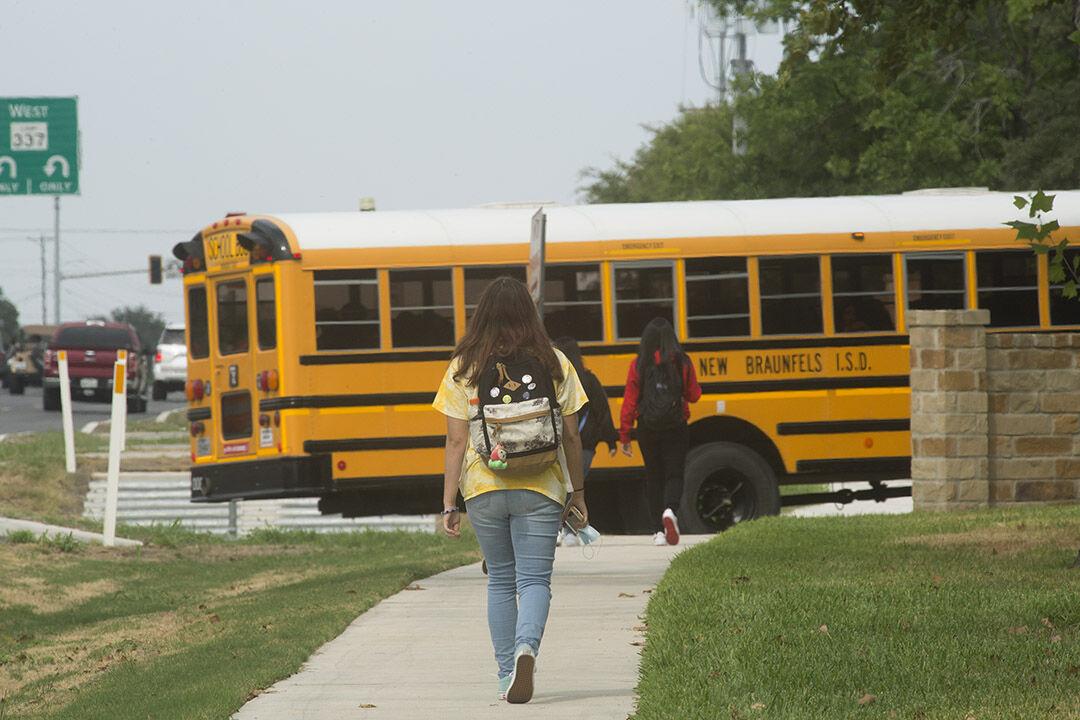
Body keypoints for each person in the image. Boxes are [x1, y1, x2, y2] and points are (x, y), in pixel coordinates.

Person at [434, 276, 588, 704]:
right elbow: (572, 437)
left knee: (501, 580)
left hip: (484, 486)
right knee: (535, 579)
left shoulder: (464, 365)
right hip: (541, 485)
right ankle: (527, 648)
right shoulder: (554, 361)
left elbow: (455, 441)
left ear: (481, 315)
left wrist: (450, 503)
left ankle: (506, 674)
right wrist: (576, 494)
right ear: (529, 312)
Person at [618, 317, 701, 546]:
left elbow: (630, 401)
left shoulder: (639, 364)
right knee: (674, 473)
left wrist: (625, 434)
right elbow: (694, 395)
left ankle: (657, 532)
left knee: (653, 476)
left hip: (648, 427)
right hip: (676, 425)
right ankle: (670, 511)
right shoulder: (682, 362)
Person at [552, 336, 618, 476]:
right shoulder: (589, 380)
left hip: (559, 444)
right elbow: (602, 411)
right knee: (578, 483)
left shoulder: (553, 380)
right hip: (585, 444)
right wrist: (611, 440)